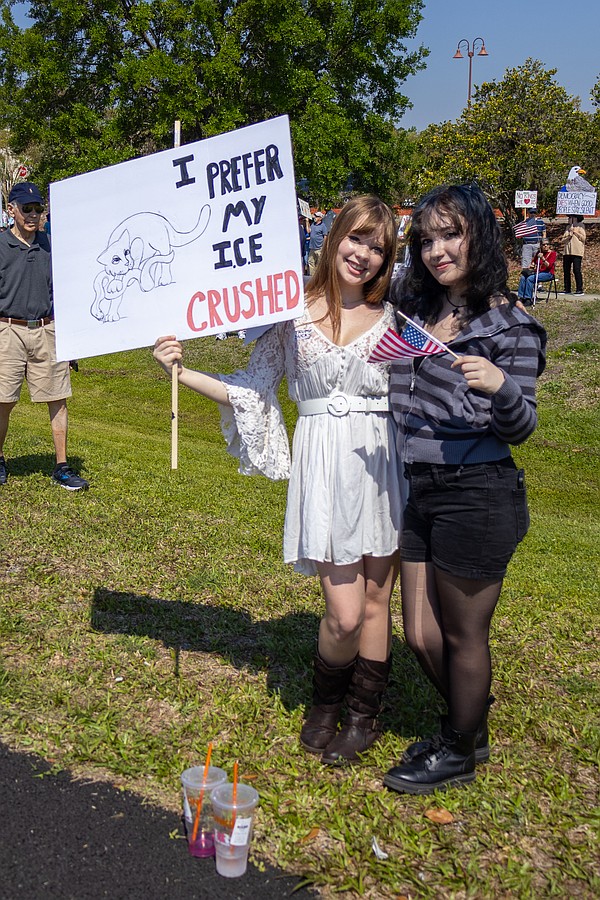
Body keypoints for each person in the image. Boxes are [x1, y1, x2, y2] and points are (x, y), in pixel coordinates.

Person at [154, 196, 404, 765]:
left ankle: (362, 715)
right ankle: (325, 702)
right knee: (344, 612)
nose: (363, 255)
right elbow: (250, 387)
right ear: (333, 236)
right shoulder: (292, 314)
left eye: (377, 247)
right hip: (324, 464)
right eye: (356, 238)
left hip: (381, 463)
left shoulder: (395, 318)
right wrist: (180, 370)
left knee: (376, 599)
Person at [383, 183, 546, 794]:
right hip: (420, 484)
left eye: (451, 234)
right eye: (427, 240)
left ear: (480, 235)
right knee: (420, 633)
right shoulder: (415, 306)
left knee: (462, 633)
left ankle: (458, 751)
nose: (438, 251)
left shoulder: (511, 325)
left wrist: (503, 387)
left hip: (477, 491)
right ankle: (468, 723)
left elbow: (521, 427)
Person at [0, 182, 88, 490]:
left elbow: (65, 293)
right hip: (7, 330)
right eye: (27, 209)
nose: (33, 214)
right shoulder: (1, 246)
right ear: (11, 210)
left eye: (38, 209)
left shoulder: (52, 245)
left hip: (47, 329)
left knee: (57, 399)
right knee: (3, 400)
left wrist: (71, 339)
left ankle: (62, 467)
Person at [517, 240, 556, 305]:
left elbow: (549, 266)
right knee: (523, 277)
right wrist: (532, 265)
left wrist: (543, 258)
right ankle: (521, 297)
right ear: (541, 246)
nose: (545, 246)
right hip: (538, 272)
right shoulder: (539, 252)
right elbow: (534, 262)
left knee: (530, 279)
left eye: (547, 244)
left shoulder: (552, 253)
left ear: (549, 245)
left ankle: (528, 298)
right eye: (543, 244)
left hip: (548, 273)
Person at [558, 215, 586, 295]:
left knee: (576, 270)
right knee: (566, 270)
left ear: (575, 218)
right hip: (567, 251)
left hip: (577, 251)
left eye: (570, 218)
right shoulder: (568, 227)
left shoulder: (581, 226)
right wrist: (569, 235)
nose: (568, 219)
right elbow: (563, 240)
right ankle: (567, 288)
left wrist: (575, 232)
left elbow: (583, 238)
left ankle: (579, 289)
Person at [307, 211, 328, 275]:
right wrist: (307, 222)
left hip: (319, 248)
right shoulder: (313, 224)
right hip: (312, 247)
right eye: (315, 216)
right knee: (310, 262)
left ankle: (319, 276)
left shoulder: (323, 226)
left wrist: (323, 246)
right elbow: (308, 231)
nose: (315, 217)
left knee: (319, 263)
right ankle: (312, 276)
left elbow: (325, 236)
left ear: (320, 218)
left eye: (316, 216)